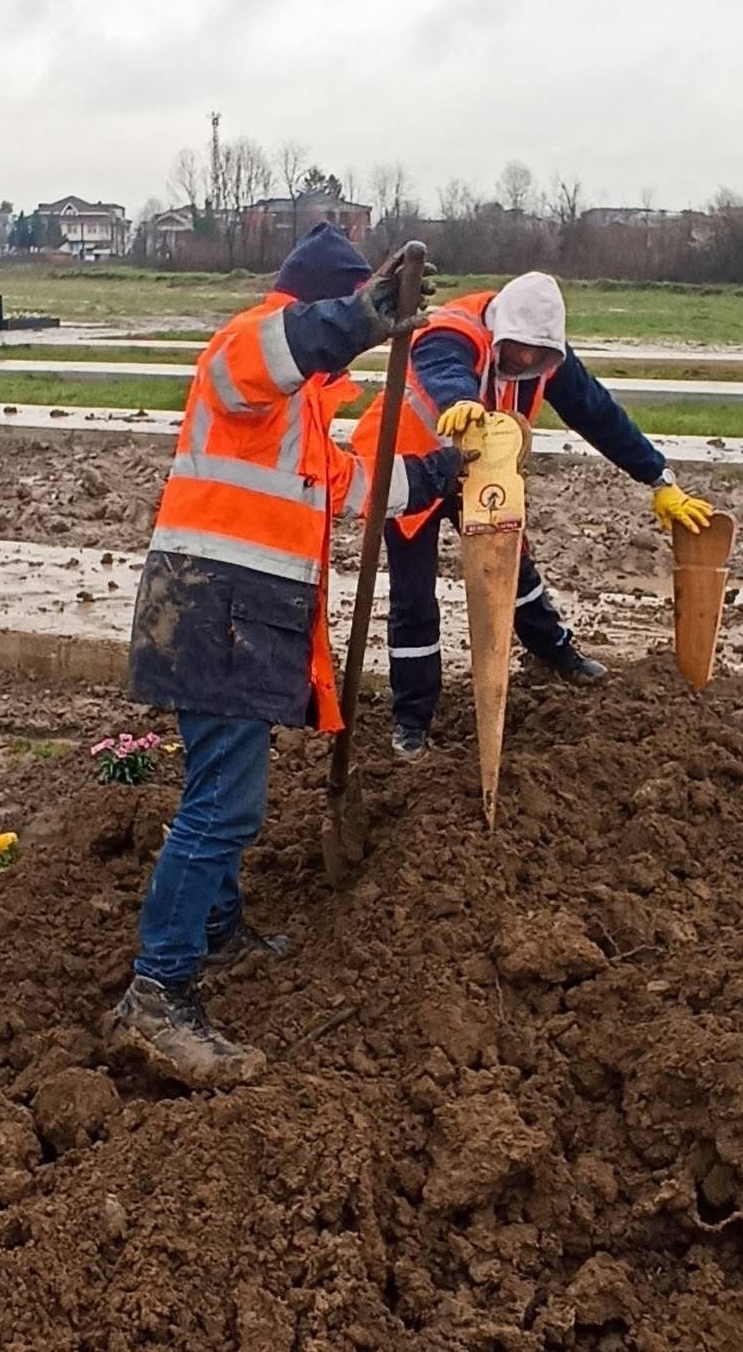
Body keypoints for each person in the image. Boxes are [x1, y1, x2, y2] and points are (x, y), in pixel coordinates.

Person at [111, 225, 469, 1085]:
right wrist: (361, 317)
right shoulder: (248, 351)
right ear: (322, 304)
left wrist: (443, 471)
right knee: (225, 806)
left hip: (237, 613)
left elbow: (354, 486)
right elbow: (275, 349)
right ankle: (158, 991)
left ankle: (217, 927)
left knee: (222, 786)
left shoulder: (302, 407)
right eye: (344, 317)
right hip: (214, 607)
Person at [352, 271, 714, 758]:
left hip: (481, 470)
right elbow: (442, 366)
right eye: (517, 351)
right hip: (409, 467)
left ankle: (555, 652)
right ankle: (412, 719)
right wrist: (460, 402)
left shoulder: (549, 358)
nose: (524, 362)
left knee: (511, 566)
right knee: (414, 598)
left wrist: (658, 478)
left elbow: (598, 414)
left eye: (536, 356)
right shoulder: (451, 329)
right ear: (500, 330)